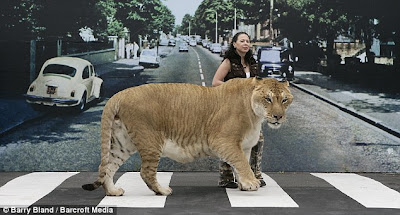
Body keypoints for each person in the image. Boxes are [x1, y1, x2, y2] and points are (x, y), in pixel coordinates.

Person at [212, 32, 266, 188]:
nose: (245, 43)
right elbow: (215, 82)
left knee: (257, 140)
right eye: (242, 41)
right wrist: (236, 89)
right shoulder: (228, 62)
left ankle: (255, 174)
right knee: (230, 141)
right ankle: (226, 177)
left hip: (251, 109)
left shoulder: (253, 63)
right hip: (232, 108)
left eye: (248, 41)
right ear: (234, 44)